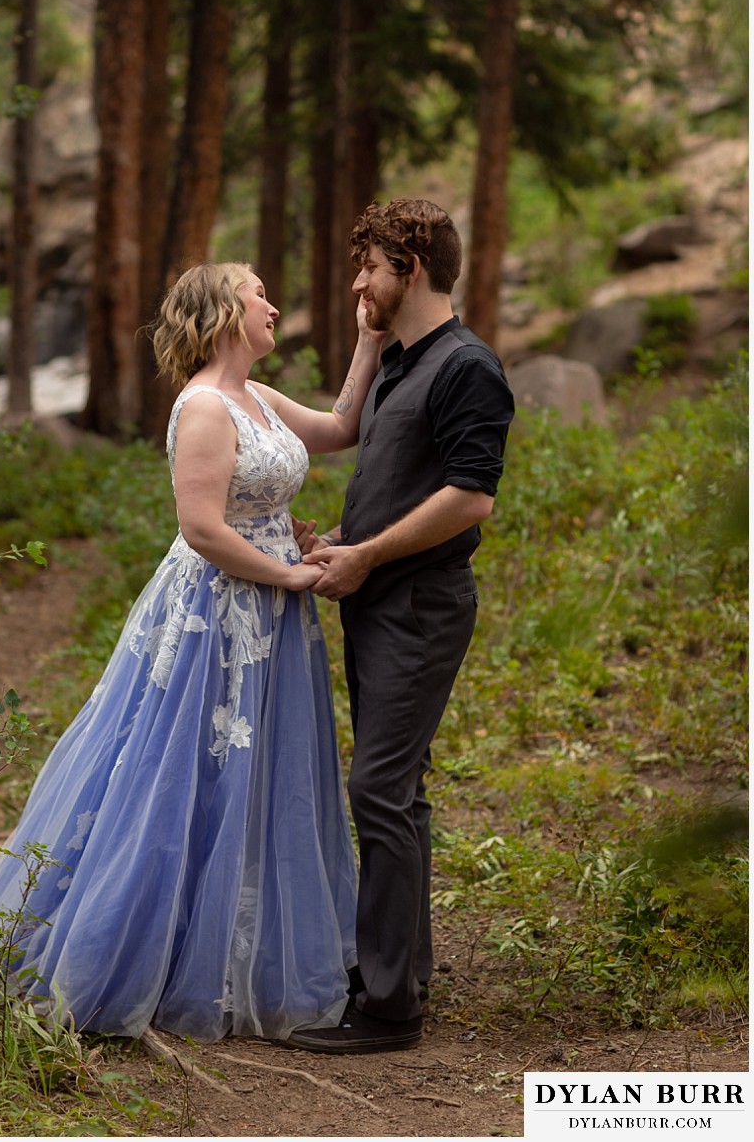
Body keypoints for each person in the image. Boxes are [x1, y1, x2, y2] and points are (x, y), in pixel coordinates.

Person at [0, 261, 385, 1043]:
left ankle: (240, 953)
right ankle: (136, 952)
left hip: (274, 613)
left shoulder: (257, 397)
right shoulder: (207, 406)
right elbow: (203, 528)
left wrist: (368, 337)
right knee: (181, 771)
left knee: (262, 777)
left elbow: (342, 426)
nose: (273, 305)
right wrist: (288, 570)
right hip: (218, 613)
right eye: (258, 296)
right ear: (224, 312)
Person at [286, 198, 515, 1055]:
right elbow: (402, 479)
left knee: (376, 790)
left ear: (409, 269)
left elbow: (470, 496)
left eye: (370, 267)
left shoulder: (468, 368)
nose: (358, 282)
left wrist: (370, 555)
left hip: (420, 610)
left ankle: (386, 1009)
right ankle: (400, 971)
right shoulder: (398, 362)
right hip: (380, 599)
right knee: (400, 795)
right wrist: (346, 539)